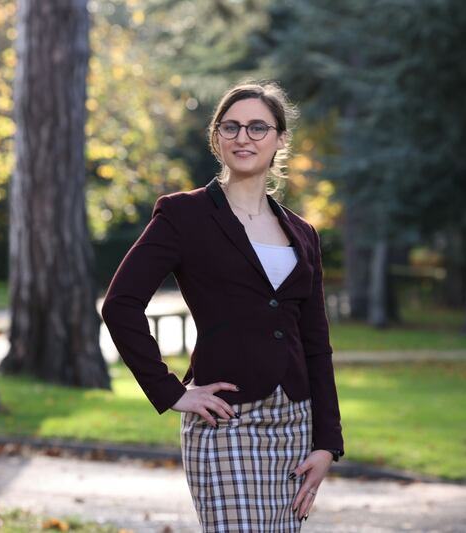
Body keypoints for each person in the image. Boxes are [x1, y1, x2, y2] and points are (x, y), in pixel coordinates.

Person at [101, 81, 344, 532]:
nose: (243, 138)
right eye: (230, 127)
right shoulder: (183, 215)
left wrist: (327, 442)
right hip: (225, 421)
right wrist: (171, 391)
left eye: (257, 127)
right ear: (216, 138)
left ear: (279, 140)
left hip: (293, 423)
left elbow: (316, 344)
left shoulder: (303, 233)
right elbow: (121, 304)